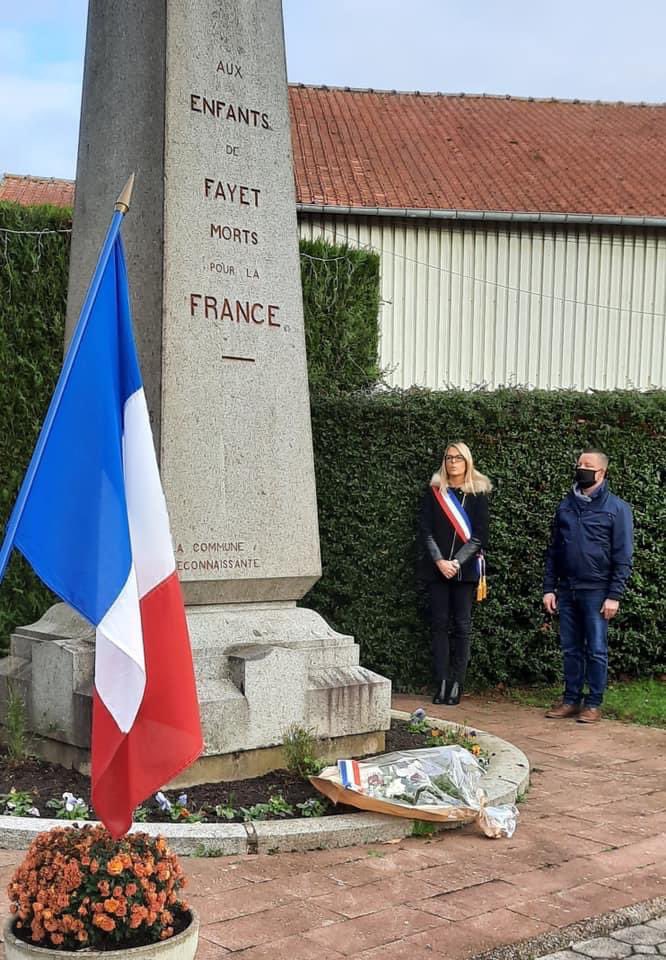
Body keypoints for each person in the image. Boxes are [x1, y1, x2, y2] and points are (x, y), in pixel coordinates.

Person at [543, 449, 633, 723]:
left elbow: (623, 554)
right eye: (579, 463)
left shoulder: (617, 509)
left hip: (597, 591)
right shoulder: (566, 506)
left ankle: (593, 703)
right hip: (567, 589)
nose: (580, 468)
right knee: (570, 648)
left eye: (588, 465)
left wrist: (614, 595)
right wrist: (549, 587)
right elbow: (554, 551)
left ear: (602, 472)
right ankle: (571, 700)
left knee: (596, 649)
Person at [419, 442, 491, 705]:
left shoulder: (477, 494)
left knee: (461, 626)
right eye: (448, 457)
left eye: (458, 458)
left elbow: (480, 536)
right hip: (436, 569)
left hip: (465, 570)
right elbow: (425, 530)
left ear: (467, 461)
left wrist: (457, 563)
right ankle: (441, 682)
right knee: (438, 625)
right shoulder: (435, 492)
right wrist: (440, 561)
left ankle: (457, 682)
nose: (452, 462)